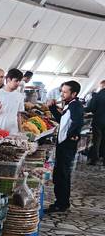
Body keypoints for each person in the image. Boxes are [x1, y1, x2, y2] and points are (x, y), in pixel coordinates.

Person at [47, 80, 84, 213]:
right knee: (60, 173)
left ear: (73, 94)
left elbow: (78, 121)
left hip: (67, 145)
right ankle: (61, 202)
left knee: (62, 174)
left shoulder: (75, 106)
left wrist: (72, 135)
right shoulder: (69, 105)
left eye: (65, 92)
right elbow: (62, 121)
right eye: (61, 91)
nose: (62, 94)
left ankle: (61, 204)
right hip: (63, 144)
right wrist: (52, 108)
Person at [0, 68, 24, 134]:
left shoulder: (20, 96)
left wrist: (20, 132)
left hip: (13, 132)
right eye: (16, 81)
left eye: (19, 81)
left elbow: (19, 115)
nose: (18, 83)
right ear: (8, 80)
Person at [86, 79, 105, 165]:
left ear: (102, 85)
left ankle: (94, 159)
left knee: (97, 140)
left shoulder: (97, 96)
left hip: (99, 120)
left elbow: (90, 108)